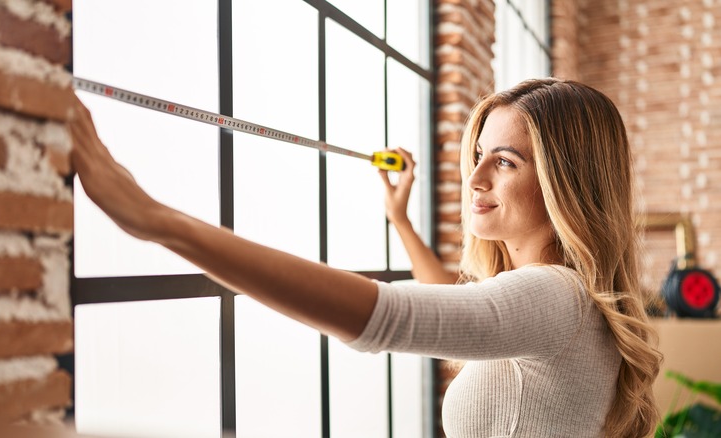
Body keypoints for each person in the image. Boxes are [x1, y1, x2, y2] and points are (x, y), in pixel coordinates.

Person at [70, 78, 662, 437]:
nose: (474, 177)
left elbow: (392, 316)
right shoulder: (555, 298)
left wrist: (156, 221)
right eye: (478, 155)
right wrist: (401, 220)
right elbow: (456, 307)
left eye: (505, 162)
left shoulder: (554, 297)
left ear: (567, 182)